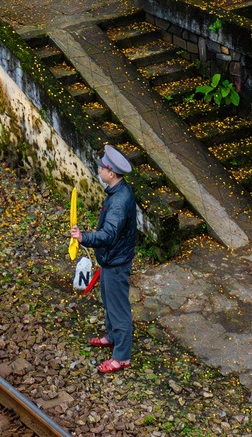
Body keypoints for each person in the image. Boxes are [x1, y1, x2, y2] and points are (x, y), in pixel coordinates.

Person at [71, 144, 138, 374]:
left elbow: (109, 234)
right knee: (109, 301)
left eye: (102, 168)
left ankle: (122, 357)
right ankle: (112, 337)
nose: (99, 170)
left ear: (111, 173)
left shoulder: (119, 201)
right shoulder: (118, 191)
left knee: (119, 309)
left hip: (116, 262)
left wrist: (84, 237)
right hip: (112, 259)